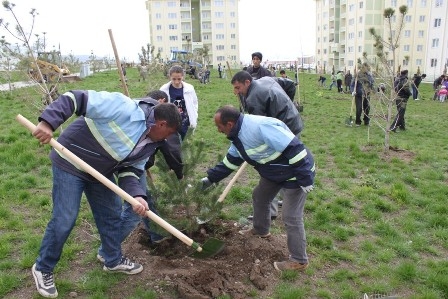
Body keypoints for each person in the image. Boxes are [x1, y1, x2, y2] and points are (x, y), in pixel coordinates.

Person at [30, 90, 181, 298]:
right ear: (162, 124)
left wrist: (137, 195)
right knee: (65, 218)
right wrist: (48, 123)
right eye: (170, 133)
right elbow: (75, 98)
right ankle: (43, 268)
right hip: (70, 162)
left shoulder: (151, 143)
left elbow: (131, 171)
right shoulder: (124, 108)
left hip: (101, 173)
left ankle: (112, 260)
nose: (169, 139)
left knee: (110, 216)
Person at [200, 105, 315, 272]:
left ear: (230, 124)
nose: (218, 130)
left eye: (219, 126)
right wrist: (209, 179)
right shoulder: (237, 136)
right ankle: (260, 230)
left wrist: (305, 178)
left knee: (291, 216)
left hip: (295, 172)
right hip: (274, 171)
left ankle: (299, 260)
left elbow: (295, 149)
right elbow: (230, 163)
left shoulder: (259, 127)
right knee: (260, 196)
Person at [231, 70, 304, 220]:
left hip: (284, 131)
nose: (236, 92)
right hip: (294, 121)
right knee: (287, 164)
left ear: (247, 82)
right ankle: (286, 198)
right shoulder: (266, 79)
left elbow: (258, 129)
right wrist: (287, 104)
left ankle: (271, 210)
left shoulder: (253, 99)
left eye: (238, 88)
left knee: (272, 167)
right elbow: (289, 84)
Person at [160, 65, 199, 140]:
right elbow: (159, 105)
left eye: (179, 79)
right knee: (173, 143)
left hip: (185, 122)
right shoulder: (164, 89)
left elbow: (194, 102)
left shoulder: (189, 89)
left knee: (186, 143)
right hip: (171, 122)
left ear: (183, 77)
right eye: (174, 79)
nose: (176, 81)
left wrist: (194, 114)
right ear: (170, 77)